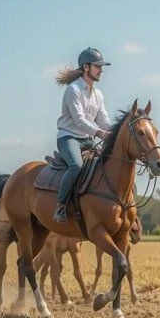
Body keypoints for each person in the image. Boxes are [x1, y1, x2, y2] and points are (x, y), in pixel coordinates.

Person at [53, 47, 112, 223]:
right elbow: (79, 121)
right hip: (68, 138)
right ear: (86, 67)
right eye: (98, 66)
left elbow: (103, 119)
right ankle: (61, 206)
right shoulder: (73, 90)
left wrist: (115, 131)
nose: (101, 70)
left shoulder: (98, 94)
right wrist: (100, 133)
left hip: (87, 139)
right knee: (76, 166)